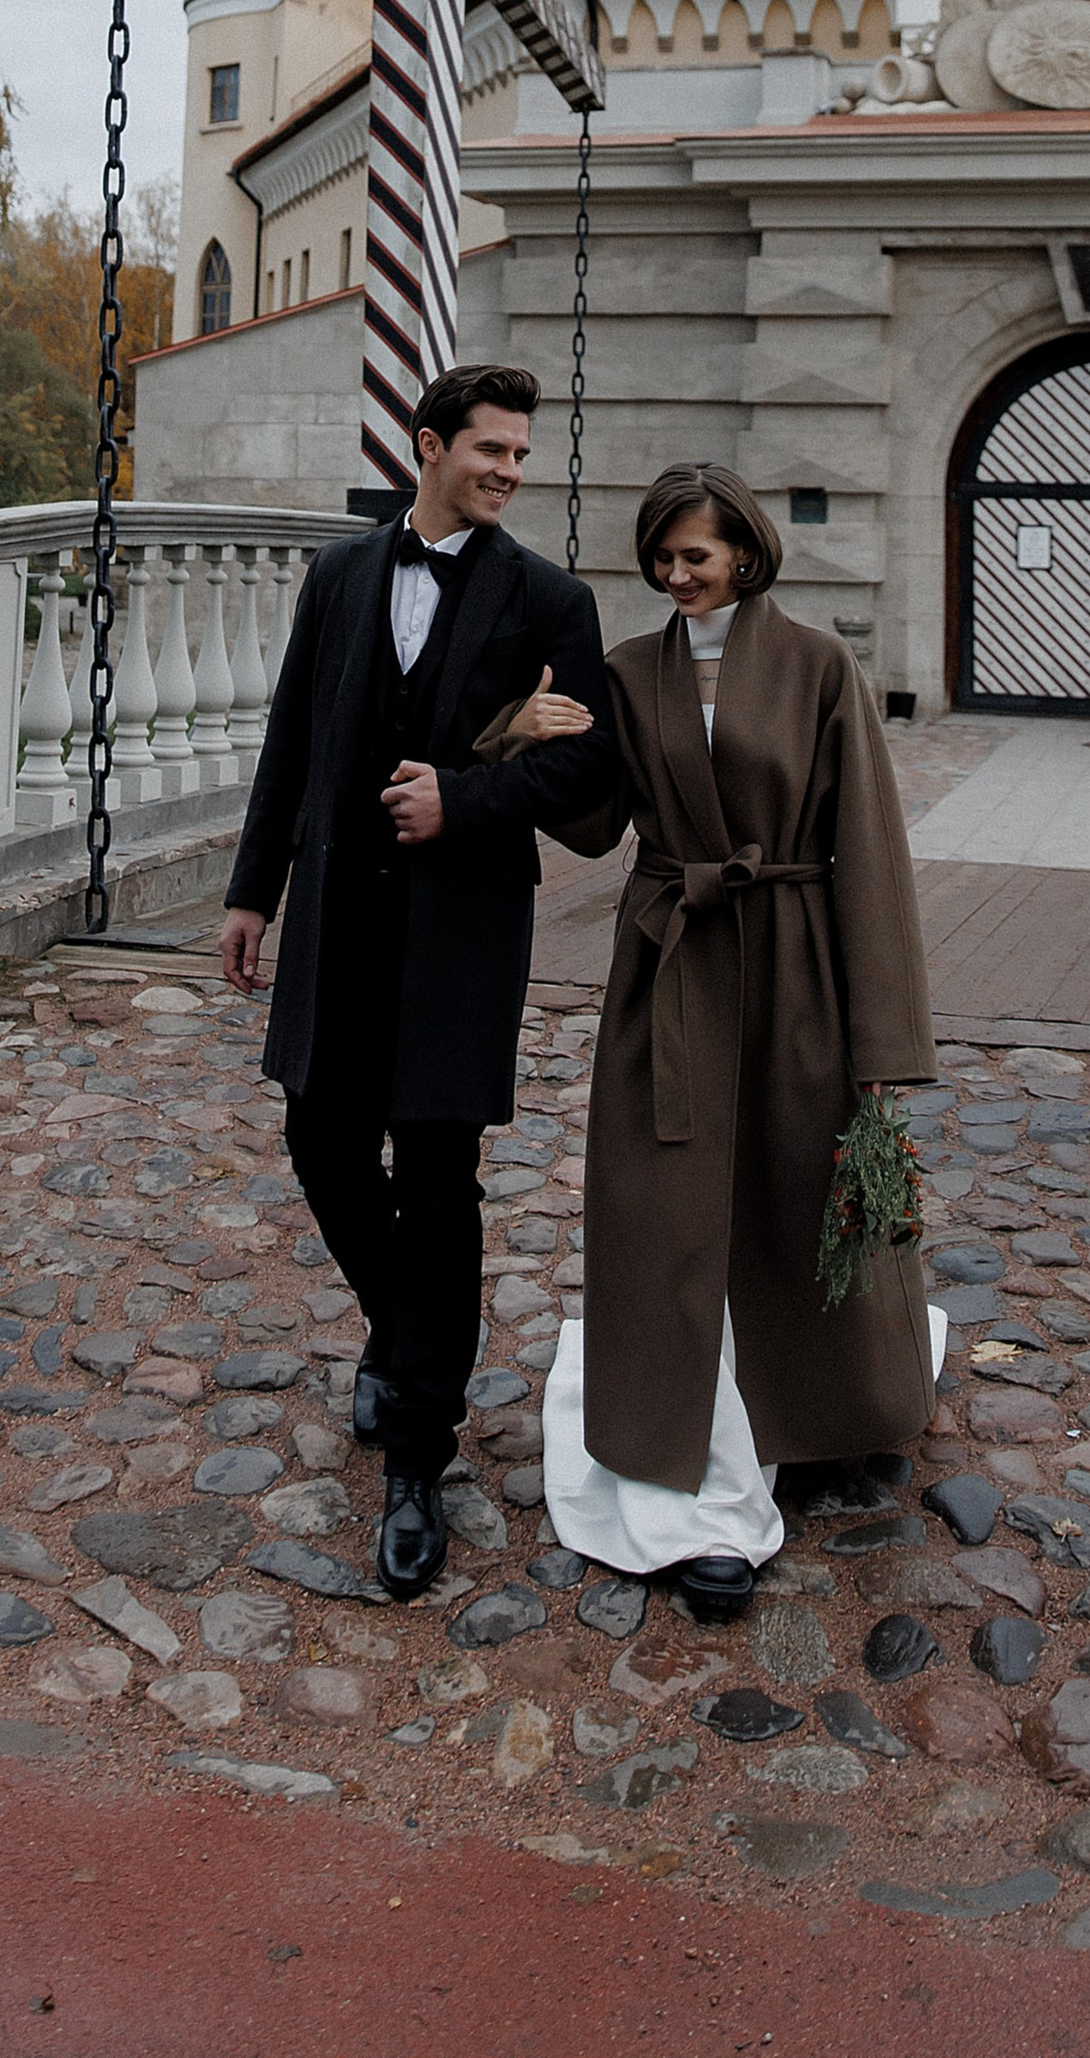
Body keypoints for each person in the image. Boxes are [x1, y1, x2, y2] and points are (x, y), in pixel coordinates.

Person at [385, 458, 937, 1622]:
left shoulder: (820, 668)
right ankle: (696, 1474)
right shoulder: (627, 675)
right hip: (672, 968)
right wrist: (509, 735)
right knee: (664, 1210)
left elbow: (870, 854)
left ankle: (824, 1405)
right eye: (662, 559)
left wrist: (880, 1035)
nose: (676, 576)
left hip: (793, 965)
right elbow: (587, 824)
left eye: (696, 555)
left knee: (794, 1198)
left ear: (743, 547)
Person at [220, 362, 608, 1601]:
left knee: (436, 1177)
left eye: (518, 457)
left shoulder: (551, 602)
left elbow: (589, 787)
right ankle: (413, 1339)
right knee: (321, 1144)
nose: (506, 471)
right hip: (338, 922)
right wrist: (250, 891)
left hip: (460, 933)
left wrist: (467, 796)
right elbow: (292, 736)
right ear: (428, 446)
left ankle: (418, 1454)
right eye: (488, 450)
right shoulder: (338, 578)